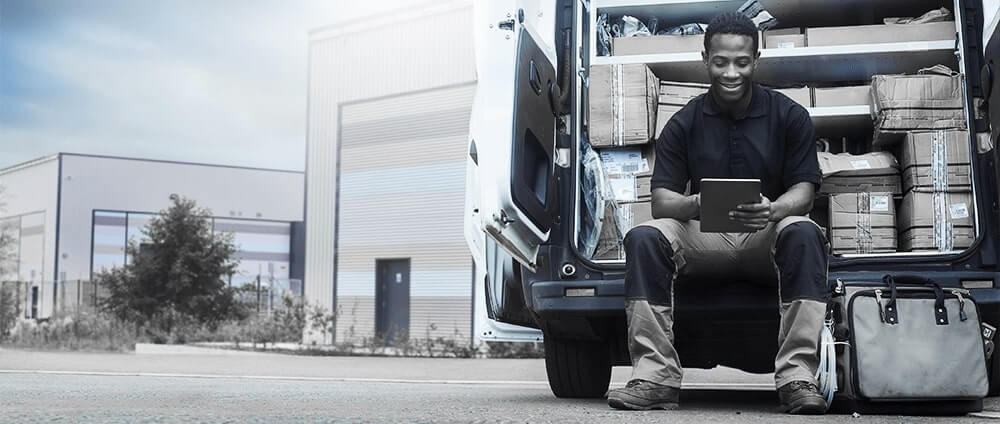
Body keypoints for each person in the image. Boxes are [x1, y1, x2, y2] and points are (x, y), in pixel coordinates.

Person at [606, 12, 829, 415]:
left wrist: (774, 209)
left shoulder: (788, 115)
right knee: (645, 236)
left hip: (766, 235)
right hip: (703, 238)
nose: (731, 72)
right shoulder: (684, 121)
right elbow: (661, 200)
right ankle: (655, 378)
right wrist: (696, 205)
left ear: (756, 61)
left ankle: (798, 376)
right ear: (706, 57)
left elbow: (806, 191)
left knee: (804, 230)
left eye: (742, 62)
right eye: (721, 62)